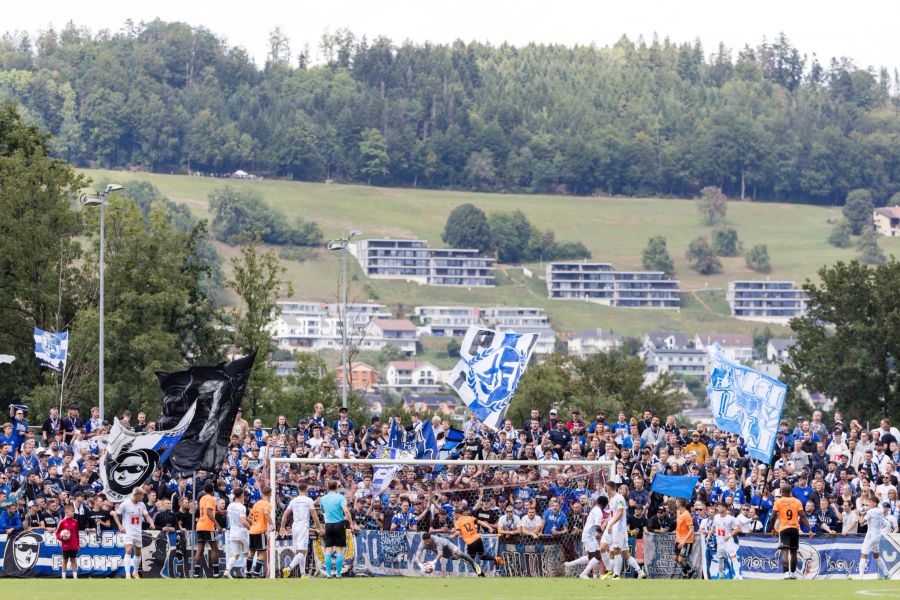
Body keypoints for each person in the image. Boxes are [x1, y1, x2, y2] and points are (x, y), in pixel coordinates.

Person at [600, 480, 646, 579]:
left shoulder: (619, 498)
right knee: (605, 548)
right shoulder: (611, 499)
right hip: (612, 527)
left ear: (609, 488)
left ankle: (615, 574)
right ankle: (640, 572)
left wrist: (611, 524)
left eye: (605, 487)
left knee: (616, 550)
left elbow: (620, 513)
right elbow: (613, 514)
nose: (604, 489)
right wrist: (606, 521)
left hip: (618, 528)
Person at [279, 482, 324, 578]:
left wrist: (282, 527)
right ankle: (289, 568)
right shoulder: (308, 500)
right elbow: (314, 515)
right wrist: (319, 527)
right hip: (303, 526)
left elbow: (285, 514)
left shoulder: (293, 501)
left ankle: (303, 574)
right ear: (306, 489)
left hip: (295, 526)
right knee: (303, 551)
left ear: (298, 490)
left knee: (301, 551)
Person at [112, 487, 155, 580]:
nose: (143, 497)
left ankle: (135, 572)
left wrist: (151, 522)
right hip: (128, 531)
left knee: (138, 552)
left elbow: (146, 515)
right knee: (128, 549)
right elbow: (116, 514)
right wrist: (120, 526)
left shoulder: (141, 504)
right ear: (137, 495)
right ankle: (127, 574)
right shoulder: (125, 504)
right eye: (142, 495)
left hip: (137, 531)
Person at [772, 483, 812, 579]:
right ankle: (793, 573)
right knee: (793, 552)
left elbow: (773, 516)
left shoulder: (778, 501)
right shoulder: (797, 501)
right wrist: (809, 529)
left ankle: (786, 573)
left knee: (785, 551)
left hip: (784, 528)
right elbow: (802, 516)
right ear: (790, 492)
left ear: (781, 492)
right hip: (794, 528)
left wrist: (773, 528)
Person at [319, 479, 358, 578]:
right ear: (337, 487)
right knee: (339, 550)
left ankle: (328, 574)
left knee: (328, 550)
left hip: (328, 525)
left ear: (328, 487)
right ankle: (339, 574)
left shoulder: (323, 498)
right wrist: (351, 523)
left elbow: (322, 509)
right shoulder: (341, 497)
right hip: (339, 524)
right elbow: (346, 511)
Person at [453, 504, 504, 570]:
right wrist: (489, 527)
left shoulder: (457, 522)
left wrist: (452, 536)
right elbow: (481, 522)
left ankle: (479, 574)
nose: (453, 515)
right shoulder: (470, 518)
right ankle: (496, 558)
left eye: (454, 514)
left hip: (471, 542)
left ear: (458, 514)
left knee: (471, 560)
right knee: (482, 556)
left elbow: (458, 532)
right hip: (478, 539)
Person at [414, 532, 483, 576]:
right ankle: (462, 558)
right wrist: (420, 565)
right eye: (426, 542)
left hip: (447, 545)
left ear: (430, 538)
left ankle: (475, 564)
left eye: (428, 541)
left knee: (460, 553)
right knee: (454, 558)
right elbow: (417, 556)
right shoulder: (422, 543)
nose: (427, 543)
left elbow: (440, 553)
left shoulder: (436, 540)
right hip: (439, 551)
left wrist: (433, 562)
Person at [857, 495, 889, 580]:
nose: (869, 503)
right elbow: (884, 524)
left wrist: (857, 514)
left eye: (870, 502)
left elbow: (861, 522)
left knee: (863, 554)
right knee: (876, 556)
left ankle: (860, 577)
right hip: (878, 536)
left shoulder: (871, 512)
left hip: (870, 536)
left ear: (875, 503)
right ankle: (886, 573)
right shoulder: (880, 511)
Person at [194, 481, 221, 578]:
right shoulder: (210, 498)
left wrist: (220, 512)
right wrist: (217, 525)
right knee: (215, 549)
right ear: (213, 490)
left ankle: (196, 574)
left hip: (200, 525)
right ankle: (216, 573)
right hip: (208, 526)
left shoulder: (202, 498)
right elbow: (208, 512)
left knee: (200, 549)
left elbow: (206, 511)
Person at [247, 486, 274, 578]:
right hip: (260, 530)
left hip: (252, 530)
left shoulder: (256, 504)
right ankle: (256, 573)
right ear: (270, 494)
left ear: (262, 493)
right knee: (262, 552)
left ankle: (248, 573)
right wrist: (272, 524)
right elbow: (266, 513)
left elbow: (249, 517)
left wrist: (254, 523)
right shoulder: (267, 504)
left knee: (251, 552)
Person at [712, 502, 743, 579]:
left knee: (733, 557)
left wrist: (729, 535)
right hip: (720, 542)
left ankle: (737, 575)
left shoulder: (731, 518)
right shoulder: (716, 517)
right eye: (718, 507)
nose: (718, 508)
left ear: (725, 508)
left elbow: (739, 529)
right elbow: (713, 527)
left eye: (720, 507)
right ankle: (721, 576)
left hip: (728, 541)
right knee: (720, 559)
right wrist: (708, 535)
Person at [225, 488, 250, 578]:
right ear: (242, 495)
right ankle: (247, 573)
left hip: (232, 531)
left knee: (235, 554)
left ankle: (227, 570)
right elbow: (243, 521)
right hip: (241, 531)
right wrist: (250, 528)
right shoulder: (241, 507)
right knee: (246, 553)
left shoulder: (230, 506)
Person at [674, 497, 697, 579]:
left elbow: (691, 529)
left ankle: (690, 571)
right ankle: (686, 570)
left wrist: (684, 541)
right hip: (678, 539)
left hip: (686, 541)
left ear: (680, 504)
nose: (675, 503)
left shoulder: (686, 514)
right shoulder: (678, 512)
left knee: (680, 560)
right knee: (676, 558)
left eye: (676, 502)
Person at [55, 503, 80, 579]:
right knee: (65, 560)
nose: (73, 513)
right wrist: (62, 538)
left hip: (74, 545)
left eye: (74, 511)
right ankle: (63, 577)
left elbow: (77, 534)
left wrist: (78, 544)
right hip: (66, 545)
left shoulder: (75, 521)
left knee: (73, 560)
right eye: (72, 511)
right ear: (67, 512)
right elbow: (57, 533)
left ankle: (75, 577)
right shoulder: (62, 522)